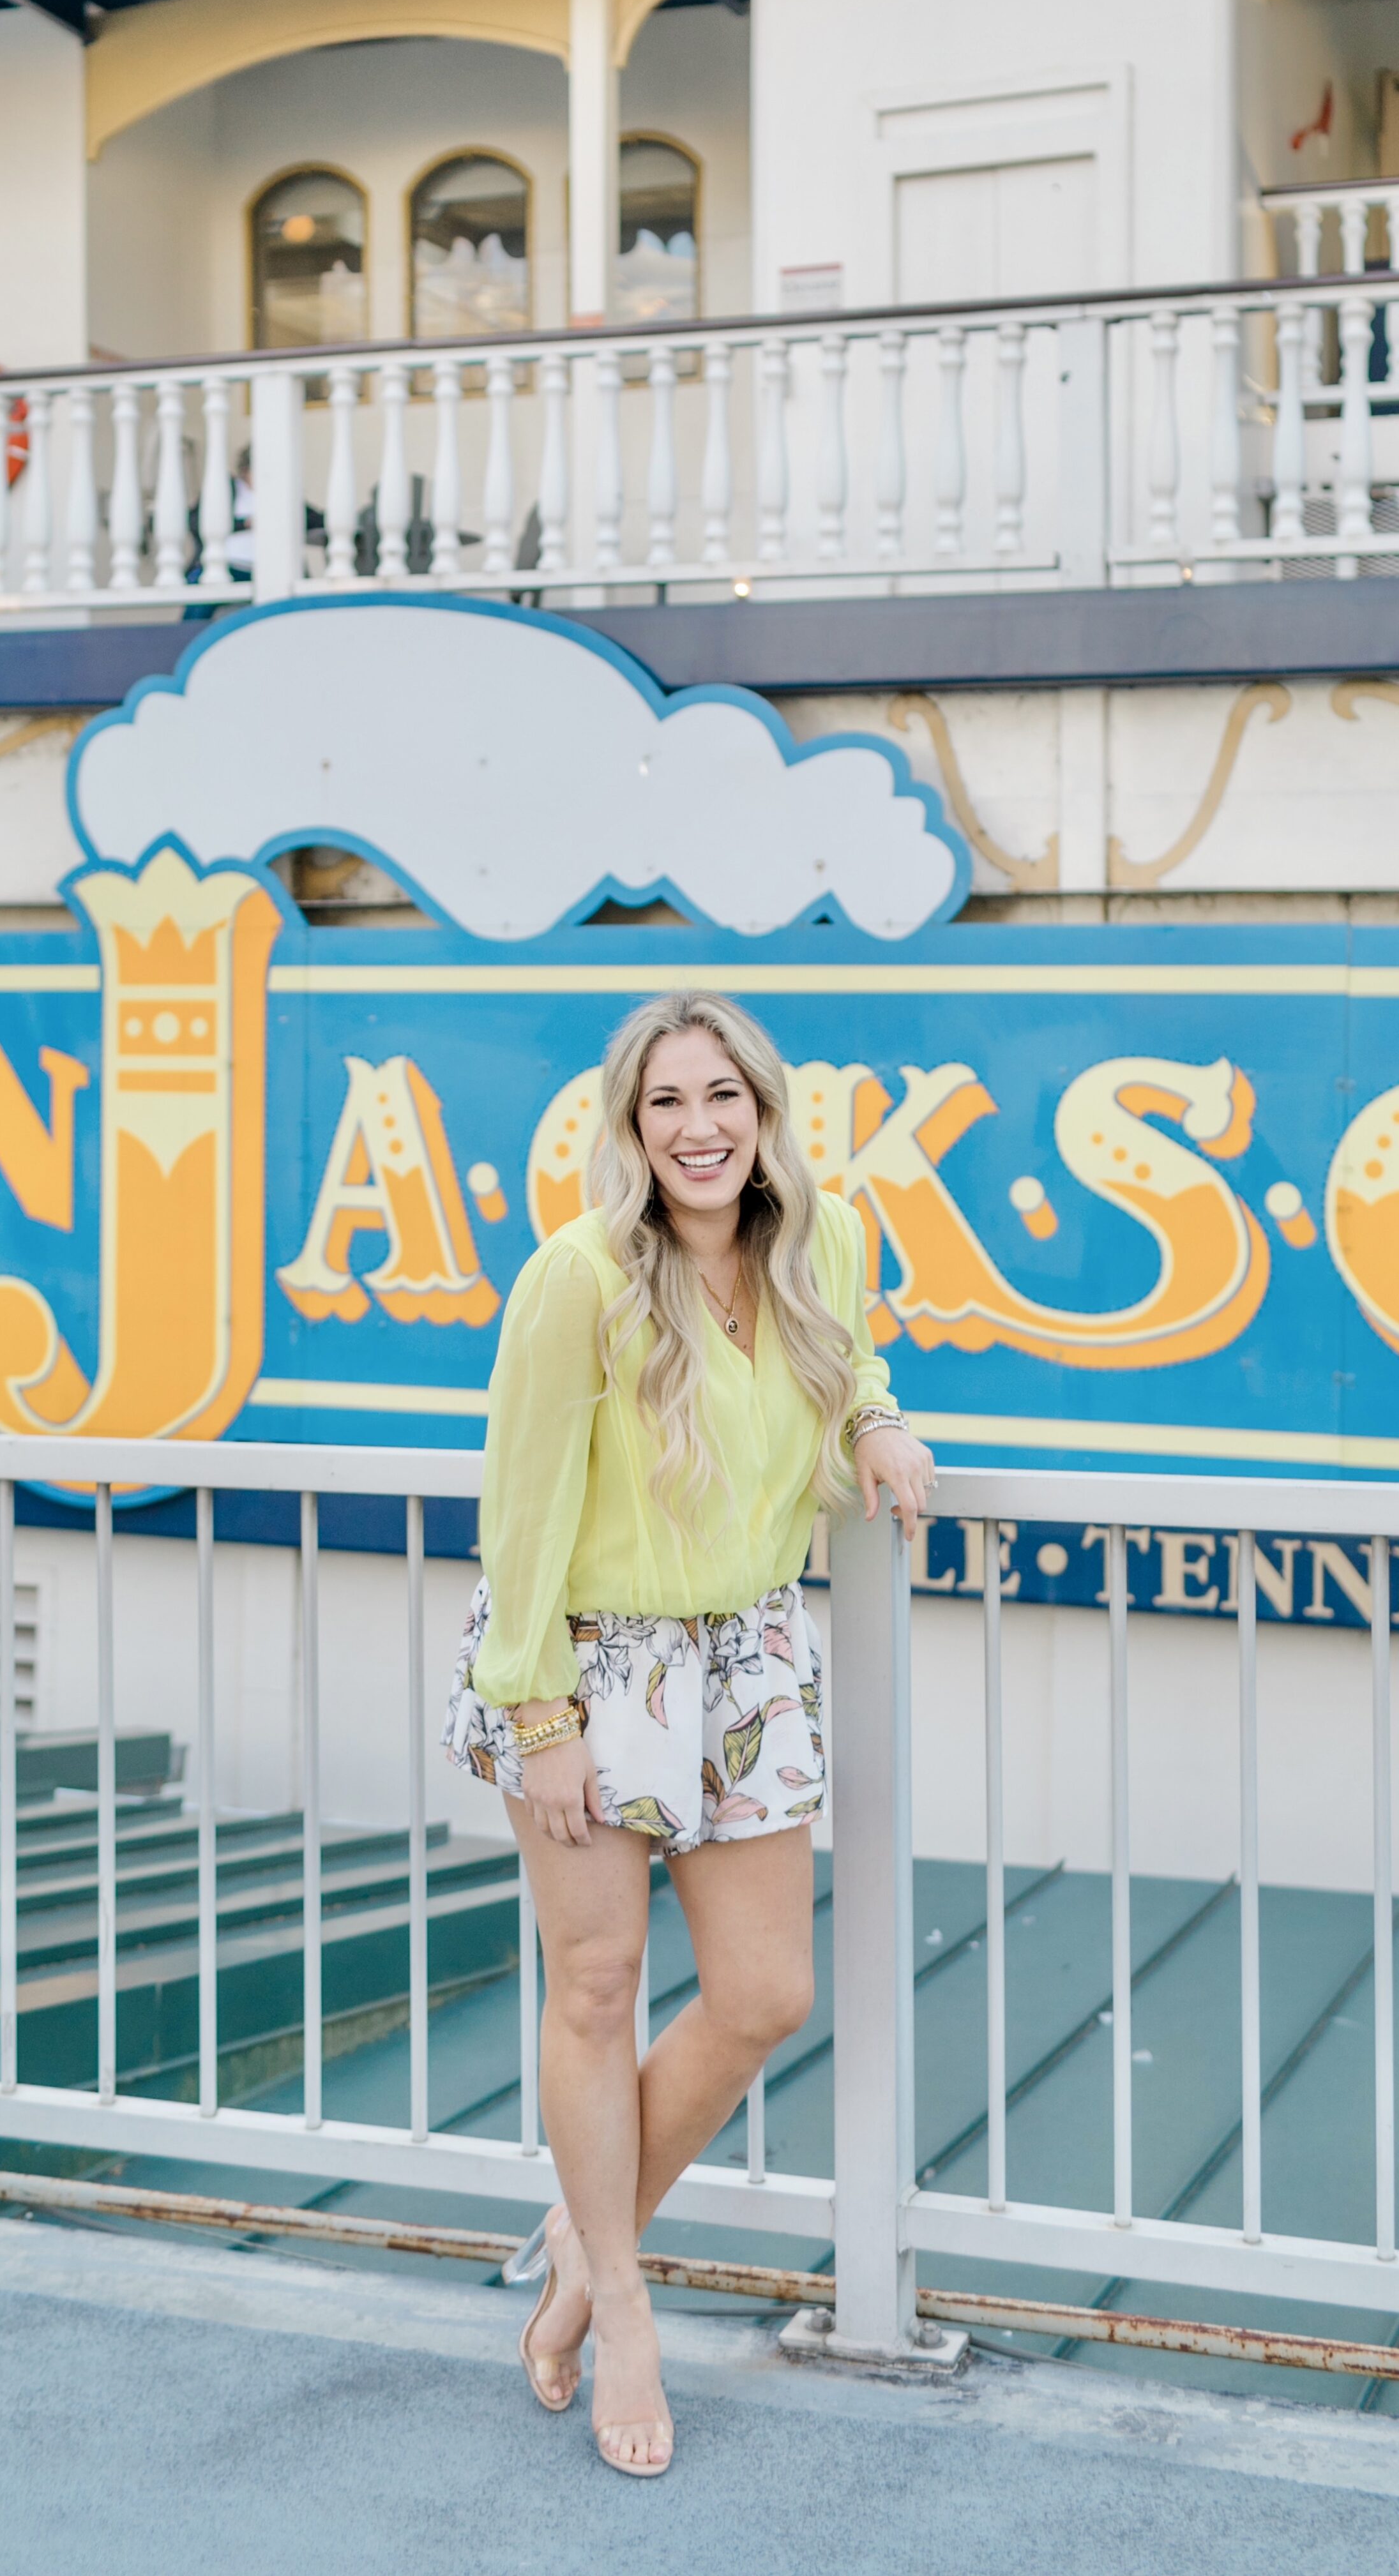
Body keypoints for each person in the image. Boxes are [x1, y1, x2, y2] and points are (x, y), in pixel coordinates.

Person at [441, 990, 935, 2478]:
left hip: (749, 1656)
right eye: (665, 1102)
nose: (698, 1127)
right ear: (628, 1124)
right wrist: (539, 1716)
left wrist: (874, 1430)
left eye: (722, 1095)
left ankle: (585, 2252)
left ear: (762, 1109)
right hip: (591, 1664)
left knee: (765, 1991)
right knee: (592, 1989)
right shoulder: (579, 1277)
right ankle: (629, 2313)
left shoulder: (821, 1240)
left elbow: (848, 1374)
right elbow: (516, 1510)